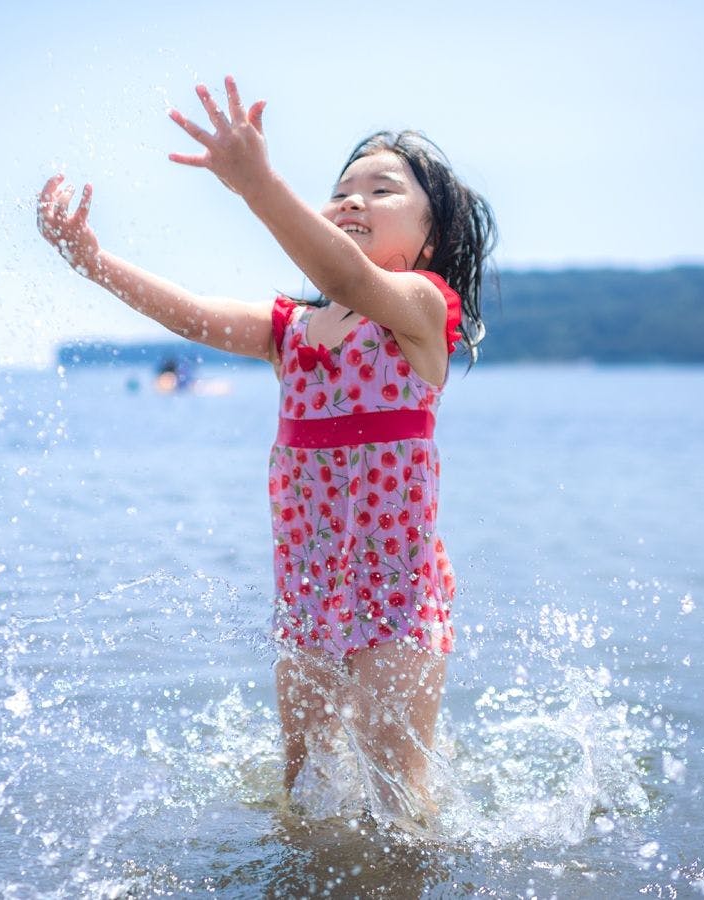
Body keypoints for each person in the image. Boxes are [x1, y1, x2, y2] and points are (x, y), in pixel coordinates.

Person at [37, 76, 496, 825]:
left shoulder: (420, 311)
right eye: (342, 188)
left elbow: (345, 275)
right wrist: (92, 260)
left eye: (382, 190)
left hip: (398, 594)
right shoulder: (290, 332)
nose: (352, 200)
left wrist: (256, 186)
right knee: (304, 791)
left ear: (432, 238)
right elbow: (187, 314)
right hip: (309, 593)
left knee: (396, 798)